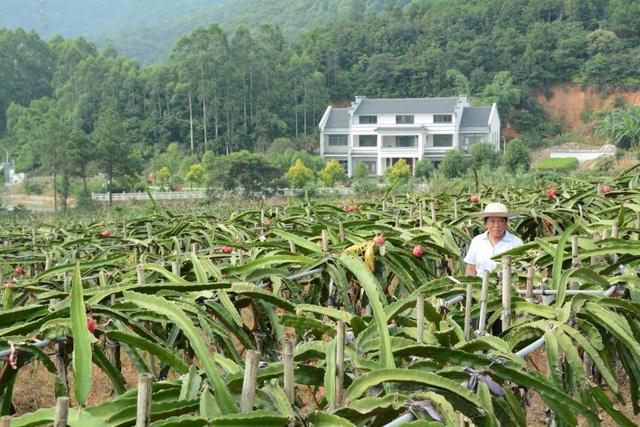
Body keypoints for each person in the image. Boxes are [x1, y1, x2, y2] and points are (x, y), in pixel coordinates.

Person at [464, 202, 523, 277]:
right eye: (492, 221)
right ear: (485, 223)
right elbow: (471, 268)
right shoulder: (477, 241)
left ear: (506, 223)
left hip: (507, 287)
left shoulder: (516, 243)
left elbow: (520, 270)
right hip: (480, 286)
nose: (496, 226)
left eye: (501, 221)